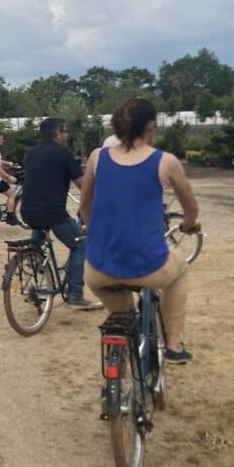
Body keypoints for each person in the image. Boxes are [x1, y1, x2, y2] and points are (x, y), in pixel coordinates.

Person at [79, 97, 200, 362]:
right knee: (180, 270)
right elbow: (191, 207)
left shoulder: (97, 157)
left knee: (121, 310)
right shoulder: (166, 161)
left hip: (98, 270)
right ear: (151, 126)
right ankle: (174, 344)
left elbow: (85, 204)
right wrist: (189, 225)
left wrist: (96, 227)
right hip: (150, 269)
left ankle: (122, 331)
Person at [21, 118, 101, 309]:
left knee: (40, 230)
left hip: (27, 211)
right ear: (57, 133)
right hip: (52, 213)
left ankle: (35, 256)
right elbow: (83, 185)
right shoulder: (64, 154)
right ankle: (74, 295)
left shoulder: (30, 153)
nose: (67, 134)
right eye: (65, 131)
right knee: (80, 246)